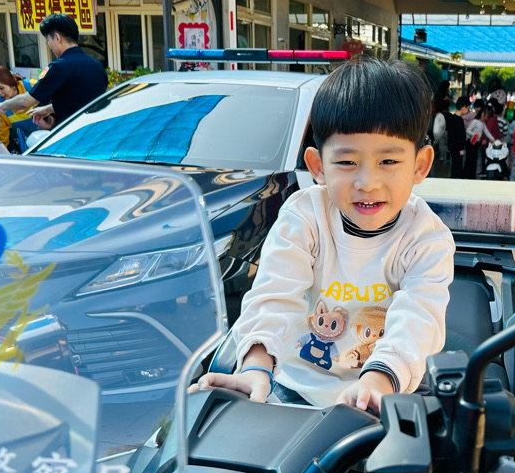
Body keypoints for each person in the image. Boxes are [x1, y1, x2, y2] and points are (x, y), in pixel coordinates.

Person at [192, 58, 454, 412]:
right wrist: (255, 368)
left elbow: (418, 321)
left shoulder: (426, 238)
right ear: (318, 167)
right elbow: (273, 295)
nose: (367, 182)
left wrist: (375, 383)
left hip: (384, 386)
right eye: (347, 162)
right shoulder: (306, 217)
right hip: (294, 385)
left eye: (388, 162)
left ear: (420, 165)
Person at [0, 13, 107, 126]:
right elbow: (83, 103)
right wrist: (49, 108)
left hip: (74, 134)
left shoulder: (59, 67)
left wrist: (2, 106)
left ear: (57, 37)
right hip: (99, 131)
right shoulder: (96, 65)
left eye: (48, 40)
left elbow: (27, 101)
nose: (50, 46)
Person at [0, 65, 39, 144]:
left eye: (1, 88)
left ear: (12, 84)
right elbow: (1, 137)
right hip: (29, 143)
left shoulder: (33, 85)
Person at [464, 107, 494, 179]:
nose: (487, 119)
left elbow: (486, 131)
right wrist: (474, 135)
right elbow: (468, 130)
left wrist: (492, 139)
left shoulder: (482, 123)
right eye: (487, 116)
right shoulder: (475, 121)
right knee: (470, 160)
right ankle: (468, 175)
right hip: (471, 142)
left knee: (473, 160)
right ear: (483, 114)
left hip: (476, 143)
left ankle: (471, 175)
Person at [446, 99, 467, 180]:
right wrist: (461, 148)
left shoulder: (451, 118)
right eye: (467, 108)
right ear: (463, 108)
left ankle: (453, 179)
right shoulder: (459, 120)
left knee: (454, 165)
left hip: (452, 146)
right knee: (457, 166)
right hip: (458, 148)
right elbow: (460, 135)